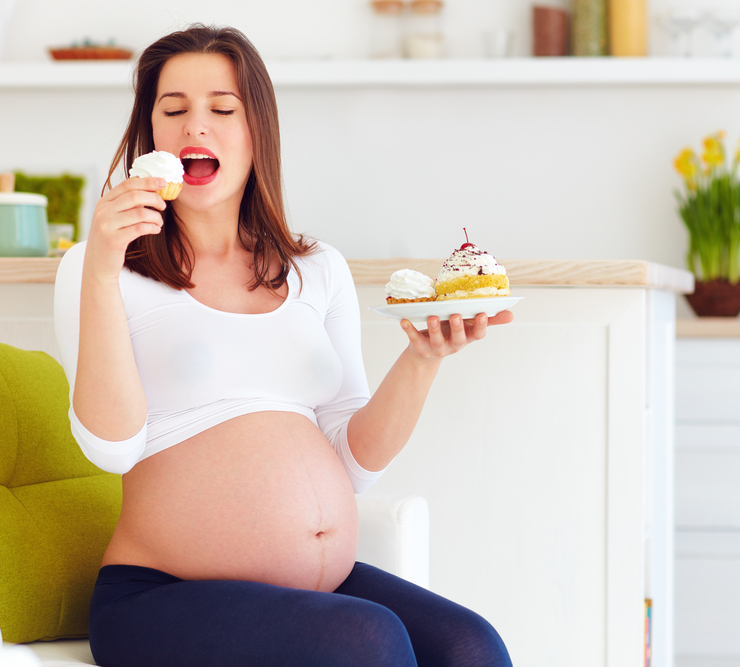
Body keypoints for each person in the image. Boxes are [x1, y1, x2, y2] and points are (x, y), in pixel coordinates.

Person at [53, 24, 514, 667]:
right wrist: (102, 267)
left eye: (222, 108)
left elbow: (352, 462)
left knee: (471, 648)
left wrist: (423, 357)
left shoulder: (316, 268)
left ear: (256, 131)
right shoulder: (101, 267)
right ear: (148, 132)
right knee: (368, 642)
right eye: (173, 109)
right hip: (159, 598)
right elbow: (110, 445)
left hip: (315, 587)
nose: (196, 128)